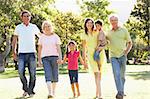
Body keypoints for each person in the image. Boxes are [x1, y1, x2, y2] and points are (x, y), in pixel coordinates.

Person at [12, 10, 40, 97]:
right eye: (25, 16)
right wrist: (14, 52)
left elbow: (41, 37)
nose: (27, 18)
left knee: (33, 73)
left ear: (30, 17)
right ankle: (25, 88)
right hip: (21, 54)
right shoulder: (18, 27)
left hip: (32, 53)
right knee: (20, 72)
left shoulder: (34, 27)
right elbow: (14, 40)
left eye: (28, 16)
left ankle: (30, 91)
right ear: (22, 17)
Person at [106, 15, 132, 99]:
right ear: (110, 22)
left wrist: (126, 52)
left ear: (117, 21)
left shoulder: (124, 30)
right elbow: (102, 39)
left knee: (122, 76)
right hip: (113, 56)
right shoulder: (108, 32)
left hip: (122, 56)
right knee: (116, 74)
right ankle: (120, 93)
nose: (113, 22)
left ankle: (121, 91)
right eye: (112, 20)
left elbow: (130, 42)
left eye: (115, 20)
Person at [81, 18, 106, 99]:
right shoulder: (84, 34)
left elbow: (104, 41)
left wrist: (101, 48)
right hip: (91, 56)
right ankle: (100, 94)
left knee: (99, 74)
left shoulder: (97, 31)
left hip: (100, 54)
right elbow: (84, 48)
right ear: (85, 24)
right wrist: (84, 61)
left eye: (91, 23)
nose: (90, 24)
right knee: (96, 73)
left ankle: (97, 93)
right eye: (88, 23)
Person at [38, 20, 62, 98]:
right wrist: (39, 59)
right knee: (48, 74)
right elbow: (39, 49)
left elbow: (58, 48)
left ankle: (53, 92)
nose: (47, 28)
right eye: (45, 26)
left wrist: (60, 57)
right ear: (43, 28)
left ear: (51, 27)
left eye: (48, 26)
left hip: (54, 57)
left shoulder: (55, 36)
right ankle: (50, 92)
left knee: (55, 75)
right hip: (45, 58)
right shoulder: (41, 37)